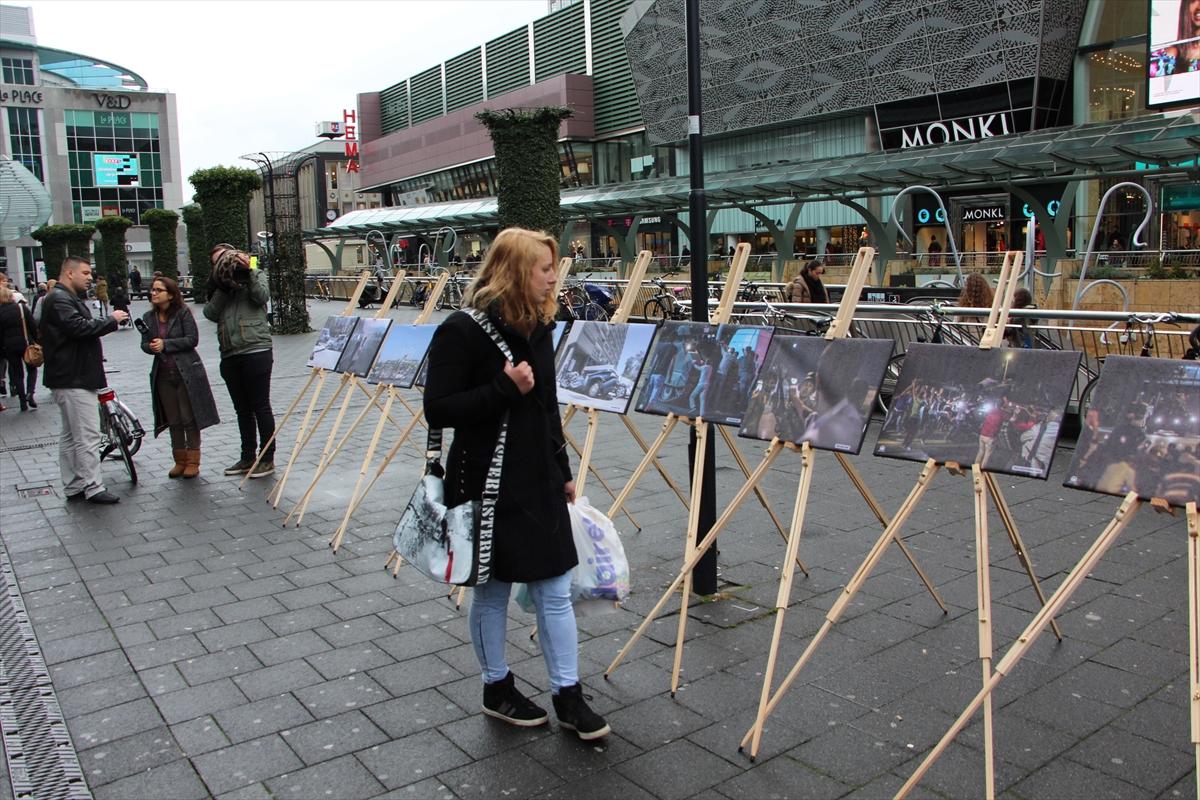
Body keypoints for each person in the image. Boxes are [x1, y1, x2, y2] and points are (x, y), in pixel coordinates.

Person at [423, 226, 610, 741]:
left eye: (553, 268)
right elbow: (437, 408)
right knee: (493, 592)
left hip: (538, 479)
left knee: (554, 588)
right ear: (513, 271)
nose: (554, 277)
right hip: (484, 482)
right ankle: (496, 686)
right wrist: (503, 388)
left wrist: (565, 472)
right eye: (544, 268)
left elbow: (548, 407)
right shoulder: (461, 330)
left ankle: (568, 695)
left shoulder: (541, 329)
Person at [40, 256, 127, 504]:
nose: (90, 277)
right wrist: (111, 320)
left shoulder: (61, 298)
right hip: (74, 377)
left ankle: (74, 485)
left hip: (69, 376)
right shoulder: (60, 299)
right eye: (86, 273)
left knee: (70, 436)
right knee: (87, 436)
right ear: (69, 273)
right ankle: (93, 487)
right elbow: (78, 328)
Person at [204, 244, 276, 478]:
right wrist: (223, 287)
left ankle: (267, 458)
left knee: (260, 406)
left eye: (226, 258)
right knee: (242, 410)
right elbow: (210, 313)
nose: (223, 264)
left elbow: (261, 297)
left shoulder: (255, 273)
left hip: (256, 348)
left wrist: (250, 271)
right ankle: (247, 458)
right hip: (230, 352)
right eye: (217, 262)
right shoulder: (218, 287)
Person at [140, 276, 219, 479]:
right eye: (153, 290)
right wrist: (150, 347)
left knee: (188, 418)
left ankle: (193, 461)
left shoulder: (182, 313)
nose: (154, 293)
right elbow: (144, 344)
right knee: (174, 420)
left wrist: (166, 344)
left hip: (186, 373)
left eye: (159, 290)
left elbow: (192, 339)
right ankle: (179, 460)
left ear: (171, 294)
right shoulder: (149, 317)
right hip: (163, 375)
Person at [0, 287, 39, 411]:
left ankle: (22, 401)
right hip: (25, 343)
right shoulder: (21, 308)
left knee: (17, 373)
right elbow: (32, 325)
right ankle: (30, 393)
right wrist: (36, 340)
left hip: (9, 346)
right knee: (32, 368)